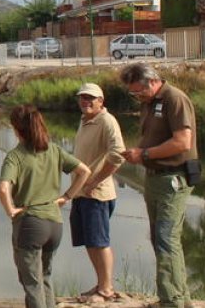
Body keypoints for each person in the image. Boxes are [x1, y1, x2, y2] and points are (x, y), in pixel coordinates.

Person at [120, 63, 198, 308]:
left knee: (167, 238)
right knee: (159, 238)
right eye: (133, 93)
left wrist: (143, 154)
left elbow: (182, 142)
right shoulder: (149, 102)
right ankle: (178, 297)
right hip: (154, 178)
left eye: (139, 92)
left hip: (172, 178)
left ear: (152, 82)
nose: (137, 97)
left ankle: (171, 300)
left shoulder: (175, 99)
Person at [0, 105, 90, 308]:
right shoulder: (54, 150)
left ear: (16, 128)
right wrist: (67, 196)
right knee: (45, 275)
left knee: (31, 283)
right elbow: (84, 171)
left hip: (30, 224)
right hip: (55, 223)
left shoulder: (16, 156)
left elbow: (4, 188)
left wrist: (10, 210)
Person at [70, 82, 126, 304]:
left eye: (91, 98)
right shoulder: (85, 120)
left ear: (101, 101)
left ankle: (106, 289)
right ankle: (101, 284)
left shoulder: (107, 120)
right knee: (89, 241)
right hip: (81, 193)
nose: (86, 101)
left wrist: (95, 180)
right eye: (82, 97)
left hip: (97, 194)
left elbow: (118, 155)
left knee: (99, 241)